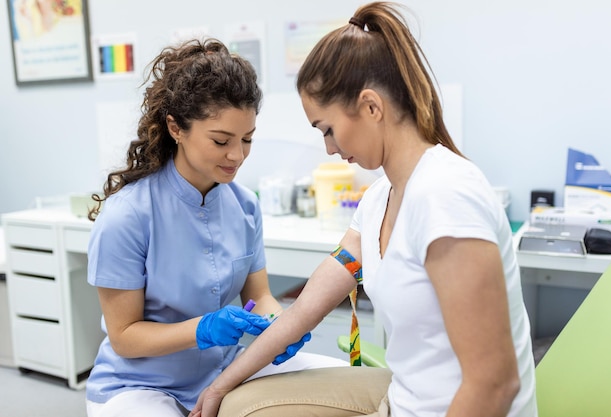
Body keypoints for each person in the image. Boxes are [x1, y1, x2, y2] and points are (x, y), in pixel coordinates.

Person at [190, 2, 538, 417]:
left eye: (329, 129)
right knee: (234, 404)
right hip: (401, 402)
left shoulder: (446, 197)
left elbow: (495, 384)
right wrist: (218, 387)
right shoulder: (379, 201)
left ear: (372, 107)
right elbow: (303, 312)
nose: (330, 148)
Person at [84, 38, 346, 417]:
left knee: (340, 384)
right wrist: (202, 329)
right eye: (221, 140)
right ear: (176, 128)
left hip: (224, 372)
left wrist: (278, 325)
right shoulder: (127, 215)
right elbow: (124, 337)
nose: (237, 155)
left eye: (247, 139)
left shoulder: (245, 206)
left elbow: (261, 295)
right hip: (138, 387)